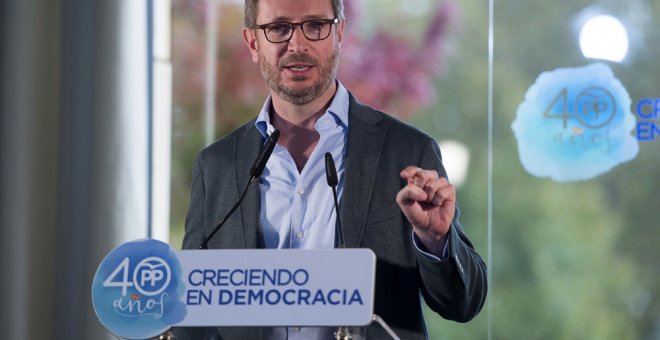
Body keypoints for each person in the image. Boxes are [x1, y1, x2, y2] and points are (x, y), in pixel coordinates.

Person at [174, 0, 487, 338]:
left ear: (338, 33)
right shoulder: (217, 166)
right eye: (278, 28)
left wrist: (435, 239)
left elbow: (463, 303)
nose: (297, 45)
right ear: (253, 43)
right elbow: (192, 313)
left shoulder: (406, 151)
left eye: (315, 26)